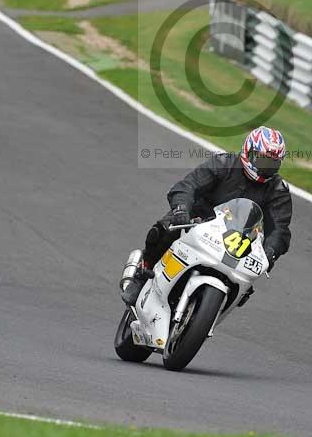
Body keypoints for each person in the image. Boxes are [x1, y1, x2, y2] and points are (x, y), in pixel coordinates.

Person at [122, 126, 292, 305]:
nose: (265, 168)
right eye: (262, 160)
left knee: (246, 289)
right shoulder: (223, 164)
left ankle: (212, 311)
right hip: (199, 222)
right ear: (248, 151)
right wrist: (181, 209)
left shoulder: (278, 191)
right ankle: (143, 273)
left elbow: (280, 230)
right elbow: (188, 186)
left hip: (239, 242)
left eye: (271, 164)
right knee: (165, 228)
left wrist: (270, 251)